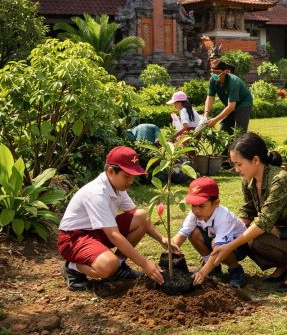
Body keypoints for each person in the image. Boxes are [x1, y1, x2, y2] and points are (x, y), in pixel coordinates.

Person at [209, 132, 287, 293]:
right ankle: (284, 265)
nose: (236, 169)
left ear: (255, 160)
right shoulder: (249, 181)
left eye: (239, 164)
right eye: (234, 164)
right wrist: (228, 234)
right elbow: (248, 210)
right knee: (246, 237)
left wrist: (230, 246)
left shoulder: (280, 180)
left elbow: (264, 222)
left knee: (257, 241)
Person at [57, 146, 175, 291]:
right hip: (74, 238)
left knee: (142, 216)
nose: (131, 181)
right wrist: (144, 263)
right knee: (108, 266)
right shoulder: (97, 194)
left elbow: (137, 217)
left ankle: (119, 267)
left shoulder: (118, 187)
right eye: (127, 176)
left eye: (133, 177)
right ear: (111, 172)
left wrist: (161, 238)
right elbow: (113, 235)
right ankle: (72, 267)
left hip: (98, 231)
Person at [172, 177, 249, 288]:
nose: (196, 210)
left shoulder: (224, 217)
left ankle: (235, 269)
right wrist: (169, 254)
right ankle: (213, 267)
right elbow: (181, 236)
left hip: (237, 247)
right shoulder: (195, 214)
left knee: (215, 244)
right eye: (193, 205)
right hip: (215, 242)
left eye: (202, 205)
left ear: (216, 203)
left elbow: (219, 249)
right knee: (193, 233)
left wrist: (203, 273)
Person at [204, 59, 253, 134]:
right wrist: (206, 114)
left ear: (225, 71)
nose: (214, 75)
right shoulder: (213, 80)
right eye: (212, 72)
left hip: (243, 104)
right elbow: (210, 97)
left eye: (217, 72)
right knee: (223, 131)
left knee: (239, 132)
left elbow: (231, 107)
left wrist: (215, 120)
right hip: (231, 105)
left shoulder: (233, 82)